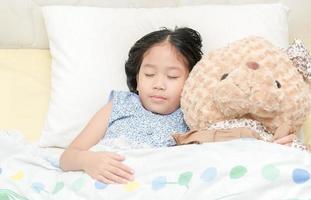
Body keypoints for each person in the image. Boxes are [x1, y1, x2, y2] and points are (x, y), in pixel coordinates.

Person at [59, 27, 295, 185]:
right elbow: (68, 156)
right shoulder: (119, 104)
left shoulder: (194, 116)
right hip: (108, 181)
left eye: (172, 77)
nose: (159, 84)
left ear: (192, 80)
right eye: (149, 74)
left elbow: (235, 144)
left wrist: (271, 146)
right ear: (136, 76)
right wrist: (88, 161)